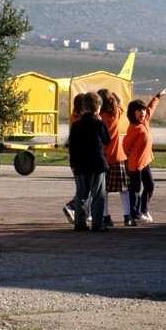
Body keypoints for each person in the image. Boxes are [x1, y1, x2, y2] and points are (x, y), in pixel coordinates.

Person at [123, 88, 166, 224]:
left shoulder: (145, 121)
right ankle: (135, 214)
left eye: (142, 110)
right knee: (135, 189)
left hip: (145, 161)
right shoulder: (134, 128)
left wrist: (158, 96)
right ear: (132, 113)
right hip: (136, 164)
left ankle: (144, 209)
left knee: (150, 186)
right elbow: (124, 145)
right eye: (139, 110)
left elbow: (150, 108)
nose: (142, 112)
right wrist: (126, 156)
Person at [68, 91, 110, 232]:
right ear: (98, 108)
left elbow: (72, 147)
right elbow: (107, 140)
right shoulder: (99, 124)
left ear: (84, 107)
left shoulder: (76, 126)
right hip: (96, 164)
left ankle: (80, 222)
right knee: (98, 195)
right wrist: (100, 120)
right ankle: (97, 224)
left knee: (81, 195)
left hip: (79, 164)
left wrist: (72, 165)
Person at [97, 89, 131, 227]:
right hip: (117, 156)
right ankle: (128, 216)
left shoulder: (98, 118)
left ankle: (106, 217)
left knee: (103, 190)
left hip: (102, 157)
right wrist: (114, 93)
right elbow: (121, 101)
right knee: (124, 189)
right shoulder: (115, 113)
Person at [63, 93, 87, 224]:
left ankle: (81, 211)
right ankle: (72, 206)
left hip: (75, 159)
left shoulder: (74, 117)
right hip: (81, 159)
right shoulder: (80, 121)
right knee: (84, 188)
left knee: (82, 187)